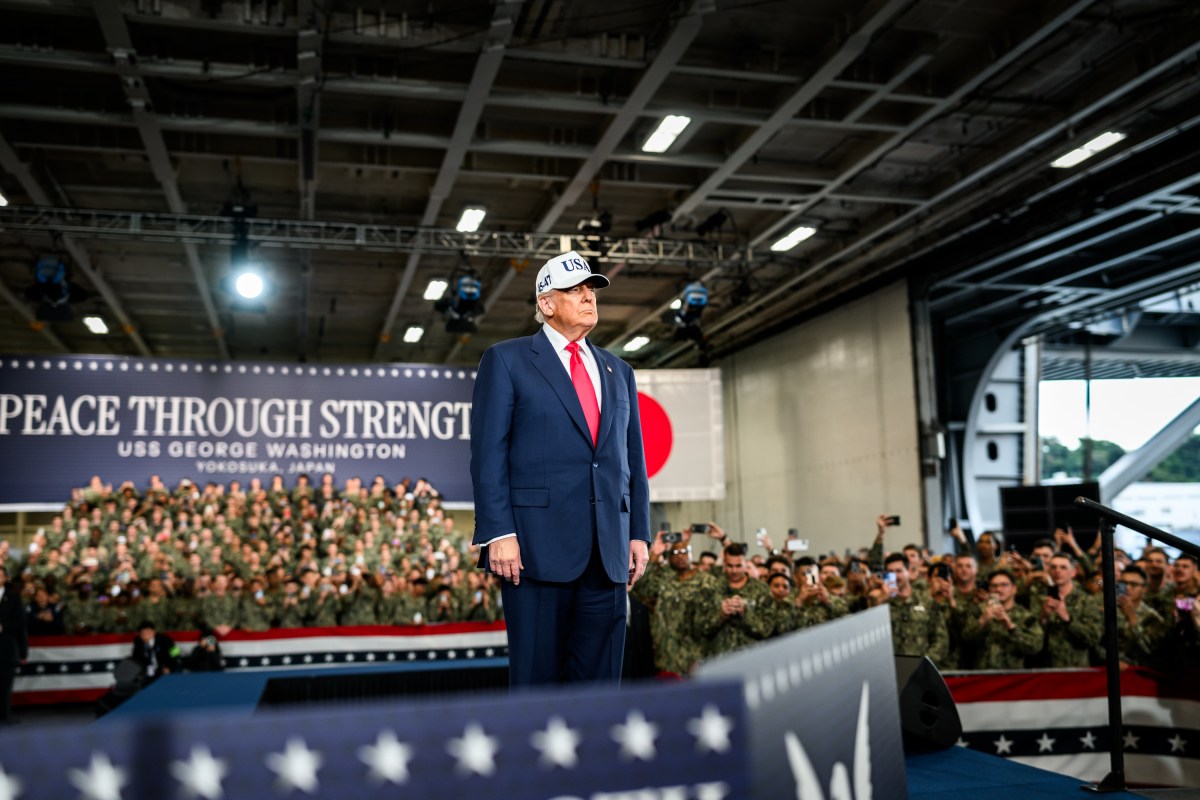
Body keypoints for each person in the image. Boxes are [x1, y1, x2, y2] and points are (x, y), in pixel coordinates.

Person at [470, 250, 651, 687]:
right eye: (575, 290)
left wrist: (638, 532)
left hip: (607, 554)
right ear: (546, 304)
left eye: (592, 290)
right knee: (537, 683)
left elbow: (633, 460)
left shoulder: (618, 370)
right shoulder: (507, 359)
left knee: (600, 685)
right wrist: (498, 532)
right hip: (533, 552)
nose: (589, 297)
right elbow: (488, 452)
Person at [961, 569, 1043, 669]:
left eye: (1004, 585)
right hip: (982, 675)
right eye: (994, 586)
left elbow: (1035, 647)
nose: (998, 589)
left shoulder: (1025, 616)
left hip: (1013, 676)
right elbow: (966, 639)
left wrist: (1011, 627)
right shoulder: (979, 611)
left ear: (1014, 589)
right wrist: (982, 620)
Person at [0, 566, 28, 725]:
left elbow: (21, 624)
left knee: (4, 684)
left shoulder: (13, 598)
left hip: (6, 648)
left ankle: (5, 714)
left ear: (5, 578)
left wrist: (3, 627)